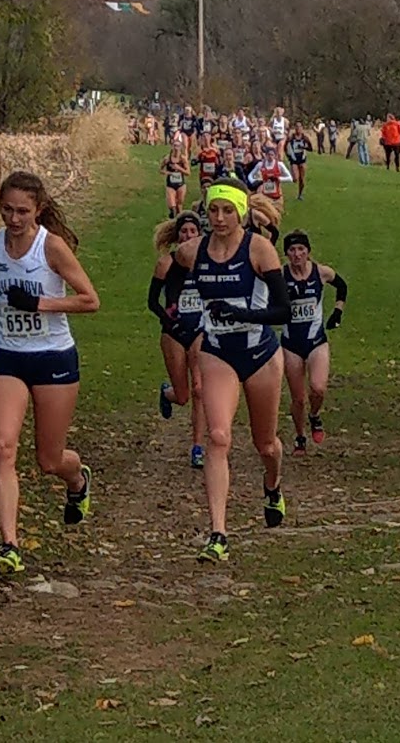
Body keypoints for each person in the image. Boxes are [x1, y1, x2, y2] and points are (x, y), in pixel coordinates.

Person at [0, 171, 99, 576]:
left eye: (23, 211)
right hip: (9, 355)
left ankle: (77, 481)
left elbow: (90, 300)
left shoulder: (52, 248)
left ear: (38, 209)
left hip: (54, 358)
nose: (14, 219)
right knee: (2, 447)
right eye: (7, 209)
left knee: (48, 459)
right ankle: (9, 544)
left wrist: (39, 303)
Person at [170, 178, 291, 562]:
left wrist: (241, 313)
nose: (219, 218)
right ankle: (218, 533)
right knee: (218, 437)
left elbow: (282, 311)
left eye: (227, 211)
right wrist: (175, 317)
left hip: (260, 353)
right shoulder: (191, 252)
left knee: (265, 444)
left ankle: (272, 487)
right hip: (218, 352)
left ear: (241, 212)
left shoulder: (259, 249)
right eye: (212, 210)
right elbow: (170, 279)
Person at [279, 230, 347, 455]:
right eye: (292, 250)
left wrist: (337, 312)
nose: (297, 254)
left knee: (318, 388)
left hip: (317, 341)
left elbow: (342, 286)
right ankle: (300, 436)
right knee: (298, 398)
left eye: (301, 250)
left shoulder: (321, 272)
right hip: (291, 343)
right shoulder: (281, 276)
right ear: (286, 253)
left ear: (308, 251)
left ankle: (315, 415)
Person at [149, 212, 206, 468]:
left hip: (200, 330)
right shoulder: (166, 263)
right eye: (184, 232)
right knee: (183, 395)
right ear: (177, 235)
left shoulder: (207, 263)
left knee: (199, 389)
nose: (188, 236)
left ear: (199, 235)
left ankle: (198, 446)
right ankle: (168, 394)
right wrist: (168, 317)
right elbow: (151, 302)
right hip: (173, 331)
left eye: (193, 232)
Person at [160, 142, 190, 219]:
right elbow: (161, 170)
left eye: (178, 146)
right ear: (172, 147)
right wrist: (168, 173)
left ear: (181, 147)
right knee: (172, 207)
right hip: (170, 185)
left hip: (181, 184)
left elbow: (188, 173)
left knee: (179, 206)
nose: (176, 148)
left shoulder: (183, 159)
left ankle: (179, 223)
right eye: (175, 146)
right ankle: (172, 220)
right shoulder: (167, 158)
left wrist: (179, 168)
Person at [285, 124, 313, 200]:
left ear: (302, 129)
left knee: (302, 179)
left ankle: (300, 195)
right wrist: (288, 156)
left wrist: (303, 147)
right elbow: (285, 147)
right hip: (293, 159)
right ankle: (292, 173)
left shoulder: (305, 138)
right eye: (296, 127)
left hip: (302, 159)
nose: (298, 129)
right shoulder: (291, 138)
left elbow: (311, 148)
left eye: (300, 127)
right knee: (295, 178)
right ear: (295, 129)